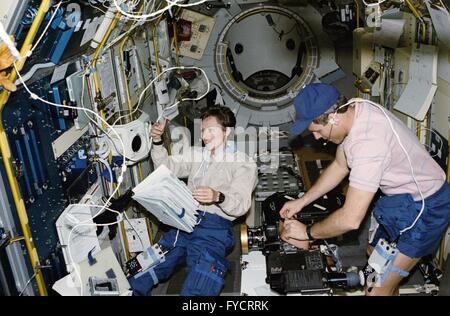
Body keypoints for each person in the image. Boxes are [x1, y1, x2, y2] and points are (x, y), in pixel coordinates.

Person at [280, 83, 450, 296]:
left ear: (333, 117)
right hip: (400, 199)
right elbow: (340, 166)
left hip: (427, 208)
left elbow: (350, 219)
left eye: (318, 130)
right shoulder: (355, 109)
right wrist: (302, 201)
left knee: (376, 288)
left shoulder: (369, 144)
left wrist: (307, 232)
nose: (316, 137)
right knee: (374, 260)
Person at [129, 105, 258, 296]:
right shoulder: (197, 154)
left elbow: (241, 204)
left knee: (199, 285)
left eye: (211, 130)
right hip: (183, 221)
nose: (205, 136)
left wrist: (218, 196)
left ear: (227, 131)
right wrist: (156, 141)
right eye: (203, 130)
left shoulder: (243, 163)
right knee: (146, 269)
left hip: (214, 229)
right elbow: (166, 168)